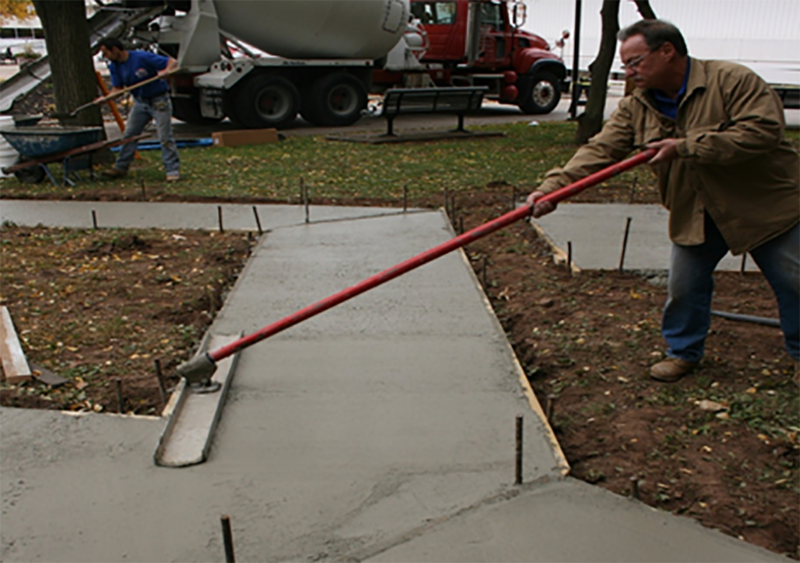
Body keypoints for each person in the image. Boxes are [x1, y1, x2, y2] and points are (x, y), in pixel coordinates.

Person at [527, 19, 800, 385]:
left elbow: (762, 131)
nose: (629, 71)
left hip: (765, 206)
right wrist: (553, 188)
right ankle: (683, 353)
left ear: (667, 51)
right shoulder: (636, 104)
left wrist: (686, 147)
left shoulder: (732, 81)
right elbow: (601, 149)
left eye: (635, 62)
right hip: (696, 210)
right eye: (625, 65)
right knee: (684, 287)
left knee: (794, 281)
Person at [98, 38, 181, 182]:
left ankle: (172, 170)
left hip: (159, 101)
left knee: (165, 137)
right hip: (140, 102)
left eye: (106, 53)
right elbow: (117, 89)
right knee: (129, 135)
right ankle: (121, 167)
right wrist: (106, 99)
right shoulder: (114, 66)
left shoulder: (141, 57)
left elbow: (173, 62)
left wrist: (167, 71)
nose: (105, 57)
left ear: (115, 50)